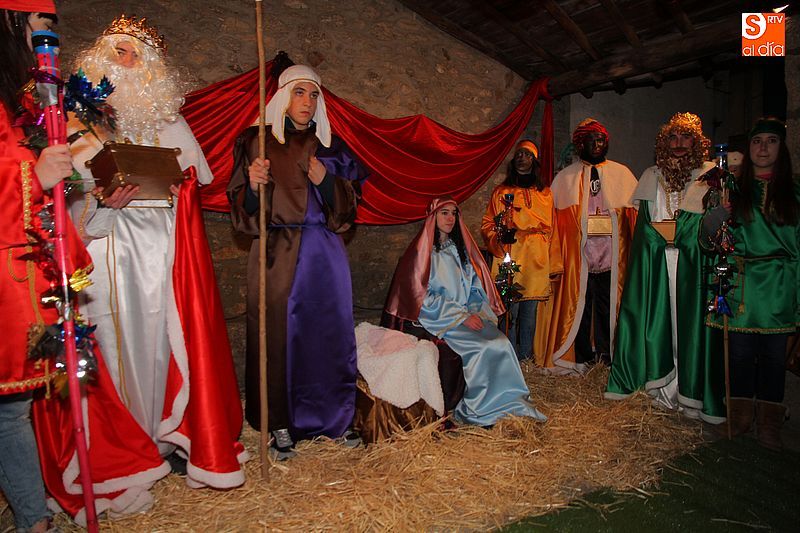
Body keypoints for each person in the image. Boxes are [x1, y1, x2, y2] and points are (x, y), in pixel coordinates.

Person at [2, 4, 170, 527]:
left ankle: (35, 515)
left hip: (108, 259)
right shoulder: (60, 114)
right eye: (38, 26)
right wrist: (44, 182)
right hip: (75, 262)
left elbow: (71, 214)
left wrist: (102, 206)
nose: (45, 39)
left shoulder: (47, 106)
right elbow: (53, 196)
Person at [68, 15, 246, 487]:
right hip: (108, 246)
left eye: (136, 55)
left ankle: (166, 437)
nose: (127, 62)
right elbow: (67, 196)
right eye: (118, 52)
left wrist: (177, 187)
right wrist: (102, 204)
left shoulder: (167, 120)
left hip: (163, 245)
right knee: (115, 340)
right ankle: (127, 441)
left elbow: (192, 178)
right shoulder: (79, 120)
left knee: (165, 340)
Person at [228, 63, 367, 459]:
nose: (307, 101)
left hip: (324, 253)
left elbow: (348, 210)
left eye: (314, 94)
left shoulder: (330, 147)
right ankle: (280, 422)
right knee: (278, 337)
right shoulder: (255, 142)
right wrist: (253, 186)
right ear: (283, 97)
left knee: (329, 337)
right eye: (299, 92)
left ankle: (335, 418)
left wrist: (326, 180)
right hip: (276, 250)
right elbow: (241, 211)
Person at [605, 112, 725, 424]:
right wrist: (657, 243)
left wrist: (689, 238)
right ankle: (661, 390)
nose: (679, 144)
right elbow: (644, 227)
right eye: (673, 137)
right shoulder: (651, 175)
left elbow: (715, 225)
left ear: (697, 143)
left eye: (686, 138)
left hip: (693, 264)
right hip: (658, 263)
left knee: (690, 326)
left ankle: (691, 393)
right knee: (660, 321)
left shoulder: (710, 176)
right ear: (663, 143)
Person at [385, 197, 547, 426]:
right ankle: (478, 409)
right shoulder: (422, 255)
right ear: (432, 217)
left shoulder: (459, 252)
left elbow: (473, 288)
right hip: (443, 320)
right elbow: (423, 298)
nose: (450, 218)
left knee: (502, 343)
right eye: (444, 213)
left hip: (468, 316)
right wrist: (460, 316)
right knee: (483, 348)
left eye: (454, 213)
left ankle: (510, 403)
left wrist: (475, 312)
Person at [704, 117, 799, 449]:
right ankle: (740, 419)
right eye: (757, 142)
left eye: (771, 141)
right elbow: (711, 242)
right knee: (740, 355)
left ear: (781, 148)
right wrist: (716, 218)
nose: (763, 148)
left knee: (774, 359)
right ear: (749, 149)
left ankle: (769, 424)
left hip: (780, 285)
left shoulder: (795, 193)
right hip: (741, 282)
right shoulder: (732, 190)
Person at [543, 119, 637, 370]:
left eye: (601, 140)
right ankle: (582, 358)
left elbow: (636, 220)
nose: (596, 145)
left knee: (609, 307)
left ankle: (608, 356)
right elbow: (553, 224)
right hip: (579, 258)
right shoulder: (565, 178)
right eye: (591, 140)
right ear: (580, 144)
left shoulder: (622, 174)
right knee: (580, 308)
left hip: (612, 257)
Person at [480, 140, 562, 362]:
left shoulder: (545, 193)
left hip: (536, 260)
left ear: (534, 161)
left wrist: (554, 264)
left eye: (527, 154)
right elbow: (488, 224)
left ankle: (526, 362)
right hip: (511, 255)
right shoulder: (501, 192)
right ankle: (508, 360)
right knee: (509, 313)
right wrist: (499, 238)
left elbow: (554, 229)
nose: (522, 157)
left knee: (529, 314)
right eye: (519, 154)